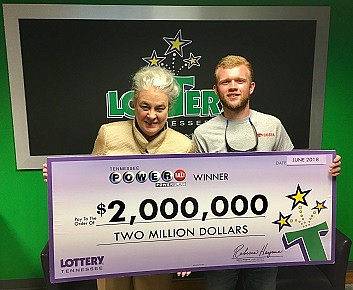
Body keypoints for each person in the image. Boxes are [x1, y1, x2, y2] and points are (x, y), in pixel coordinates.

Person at [192, 55, 341, 290]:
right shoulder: (202, 133)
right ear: (216, 89)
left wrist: (323, 170)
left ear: (250, 87)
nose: (233, 87)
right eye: (225, 82)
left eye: (239, 81)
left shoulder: (272, 125)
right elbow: (196, 187)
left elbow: (294, 170)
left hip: (266, 235)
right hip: (220, 238)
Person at [44, 66, 194, 290]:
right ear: (134, 104)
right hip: (110, 242)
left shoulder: (183, 145)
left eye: (159, 108)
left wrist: (189, 249)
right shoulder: (109, 134)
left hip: (158, 246)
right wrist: (62, 179)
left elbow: (187, 202)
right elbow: (90, 182)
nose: (151, 115)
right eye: (144, 106)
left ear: (169, 108)